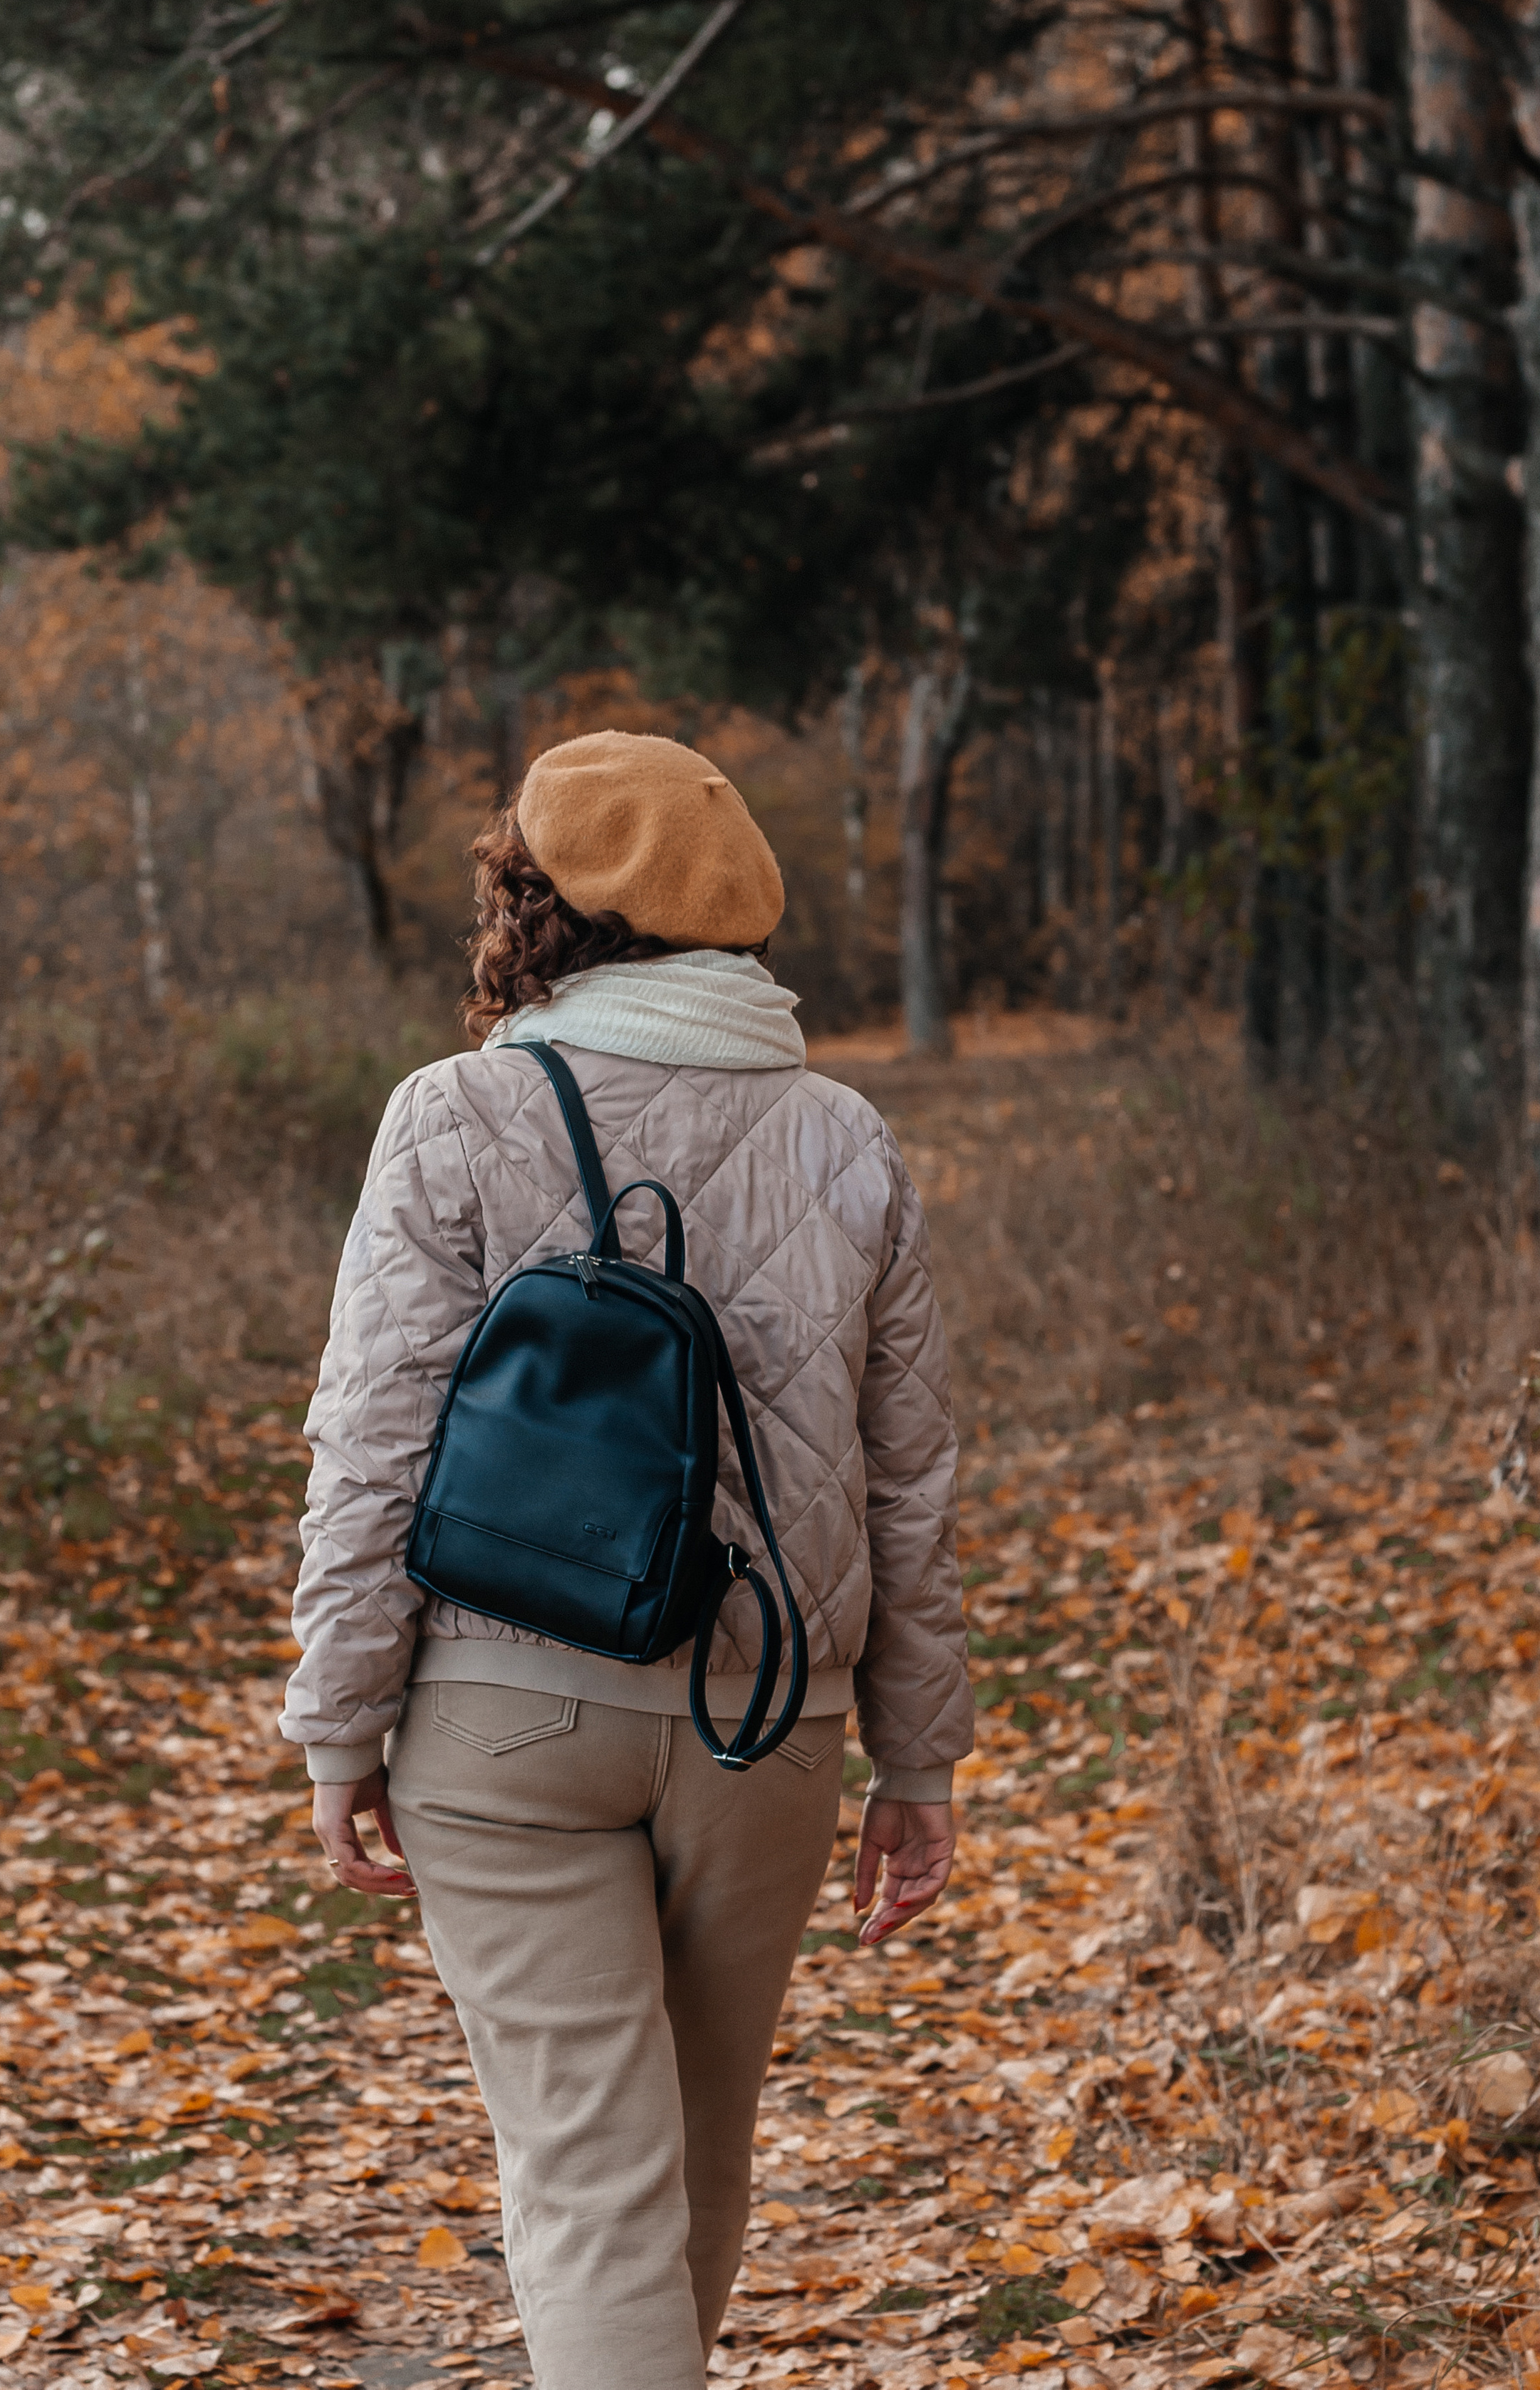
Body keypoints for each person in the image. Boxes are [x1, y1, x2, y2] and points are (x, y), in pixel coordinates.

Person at [281, 729, 971, 2390]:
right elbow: (910, 1479)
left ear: (536, 906)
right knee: (692, 2153)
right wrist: (916, 1755)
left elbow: (372, 1436)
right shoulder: (844, 1136)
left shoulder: (450, 1114)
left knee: (592, 2178)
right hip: (768, 1719)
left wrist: (336, 1716)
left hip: (503, 1704)